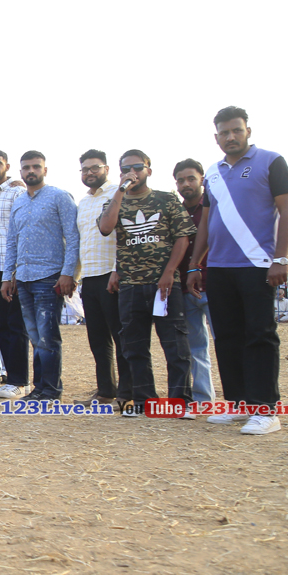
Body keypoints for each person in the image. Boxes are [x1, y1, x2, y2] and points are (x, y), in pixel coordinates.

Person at [188, 106, 288, 434]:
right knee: (227, 336)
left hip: (258, 264)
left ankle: (265, 410)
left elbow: (287, 209)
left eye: (236, 130)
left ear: (248, 131)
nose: (231, 137)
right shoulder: (213, 172)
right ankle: (238, 403)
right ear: (216, 137)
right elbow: (206, 222)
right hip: (219, 267)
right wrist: (195, 265)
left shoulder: (271, 161)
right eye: (224, 132)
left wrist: (281, 259)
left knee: (259, 335)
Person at [99, 150, 196, 417]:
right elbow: (106, 228)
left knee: (175, 347)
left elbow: (182, 237)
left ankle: (180, 403)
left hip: (164, 285)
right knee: (134, 348)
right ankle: (144, 402)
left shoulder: (166, 199)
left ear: (149, 171)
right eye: (125, 169)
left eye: (137, 167)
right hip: (130, 285)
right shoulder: (114, 201)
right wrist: (120, 191)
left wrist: (169, 272)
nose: (132, 173)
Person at [0, 151, 79, 402]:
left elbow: (73, 237)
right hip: (23, 278)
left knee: (48, 336)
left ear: (45, 170)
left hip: (49, 276)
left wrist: (68, 273)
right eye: (26, 167)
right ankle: (39, 388)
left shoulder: (59, 197)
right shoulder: (19, 203)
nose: (31, 171)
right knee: (35, 337)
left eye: (36, 166)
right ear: (20, 172)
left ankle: (52, 390)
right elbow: (12, 242)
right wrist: (7, 276)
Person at [75, 149, 131, 408]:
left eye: (95, 168)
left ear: (106, 169)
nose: (90, 173)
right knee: (98, 339)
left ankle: (127, 392)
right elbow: (81, 241)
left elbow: (125, 235)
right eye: (85, 169)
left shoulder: (118, 194)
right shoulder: (83, 202)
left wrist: (119, 269)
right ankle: (106, 391)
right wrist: (76, 276)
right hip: (89, 277)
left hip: (112, 275)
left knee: (121, 337)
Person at [0, 150, 30, 398]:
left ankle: (21, 381)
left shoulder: (17, 192)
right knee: (1, 325)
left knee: (16, 325)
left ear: (7, 166)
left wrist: (14, 271)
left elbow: (21, 230)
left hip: (13, 267)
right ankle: (11, 379)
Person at [173, 159, 216, 404]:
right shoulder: (175, 212)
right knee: (195, 348)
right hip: (185, 289)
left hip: (214, 285)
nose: (185, 184)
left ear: (202, 180)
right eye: (180, 180)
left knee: (226, 344)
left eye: (191, 178)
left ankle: (239, 398)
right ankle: (203, 400)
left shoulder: (214, 208)